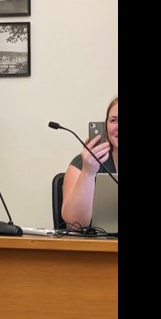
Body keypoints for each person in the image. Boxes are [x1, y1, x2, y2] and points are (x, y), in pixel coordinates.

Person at [60, 96, 118, 229]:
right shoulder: (83, 162)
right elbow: (75, 224)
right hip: (97, 244)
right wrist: (88, 171)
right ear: (106, 126)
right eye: (114, 120)